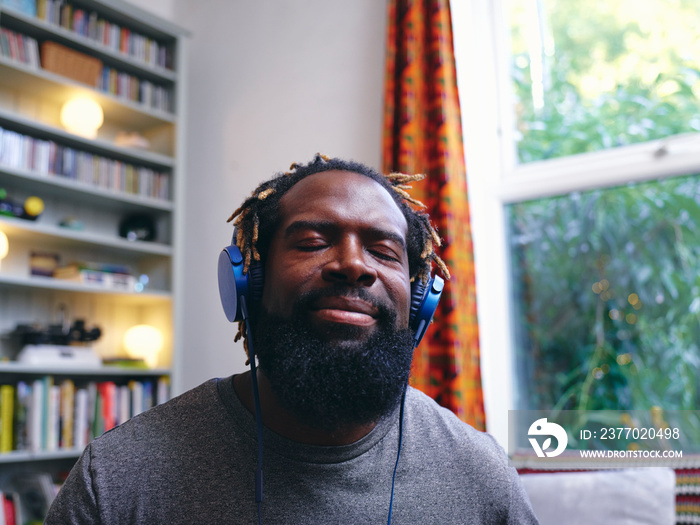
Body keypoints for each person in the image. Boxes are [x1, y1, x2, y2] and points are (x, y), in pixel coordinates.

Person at [46, 154, 539, 524]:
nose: (354, 264)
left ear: (419, 302)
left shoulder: (479, 475)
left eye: (384, 251)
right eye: (312, 242)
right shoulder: (118, 480)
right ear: (249, 283)